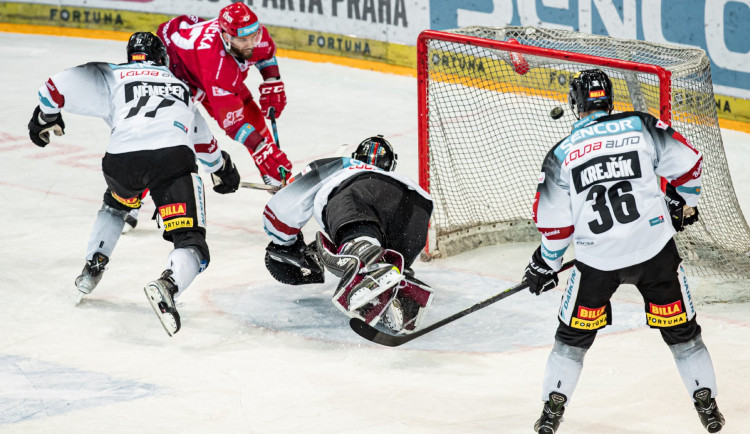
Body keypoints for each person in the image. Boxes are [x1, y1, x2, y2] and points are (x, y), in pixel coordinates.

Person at [524, 69, 723, 433]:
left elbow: (557, 227)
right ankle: (707, 405)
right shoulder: (640, 125)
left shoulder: (560, 155)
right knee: (684, 337)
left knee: (571, 342)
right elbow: (690, 164)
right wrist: (681, 202)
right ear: (609, 99)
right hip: (655, 253)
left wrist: (545, 264)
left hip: (597, 262)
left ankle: (551, 412)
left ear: (574, 104)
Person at [28, 32, 241, 336]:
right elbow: (205, 148)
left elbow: (53, 88)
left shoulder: (112, 75)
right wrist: (224, 170)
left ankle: (92, 267)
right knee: (190, 240)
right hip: (171, 161)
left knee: (117, 204)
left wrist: (45, 117)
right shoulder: (181, 87)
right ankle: (169, 284)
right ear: (162, 58)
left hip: (121, 165)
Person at [262, 136, 435, 333]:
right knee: (387, 257)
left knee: (358, 243)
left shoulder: (343, 164)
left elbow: (286, 206)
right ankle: (395, 294)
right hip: (417, 209)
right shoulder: (396, 178)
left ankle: (364, 253)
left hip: (361, 194)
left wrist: (283, 243)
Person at [157, 2, 292, 187]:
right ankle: (132, 196)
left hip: (192, 45)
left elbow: (265, 55)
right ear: (226, 37)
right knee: (175, 132)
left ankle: (274, 173)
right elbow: (233, 123)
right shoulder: (217, 69)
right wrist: (261, 149)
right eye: (243, 40)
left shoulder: (250, 35)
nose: (251, 44)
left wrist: (272, 81)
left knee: (249, 110)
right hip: (177, 68)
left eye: (254, 36)